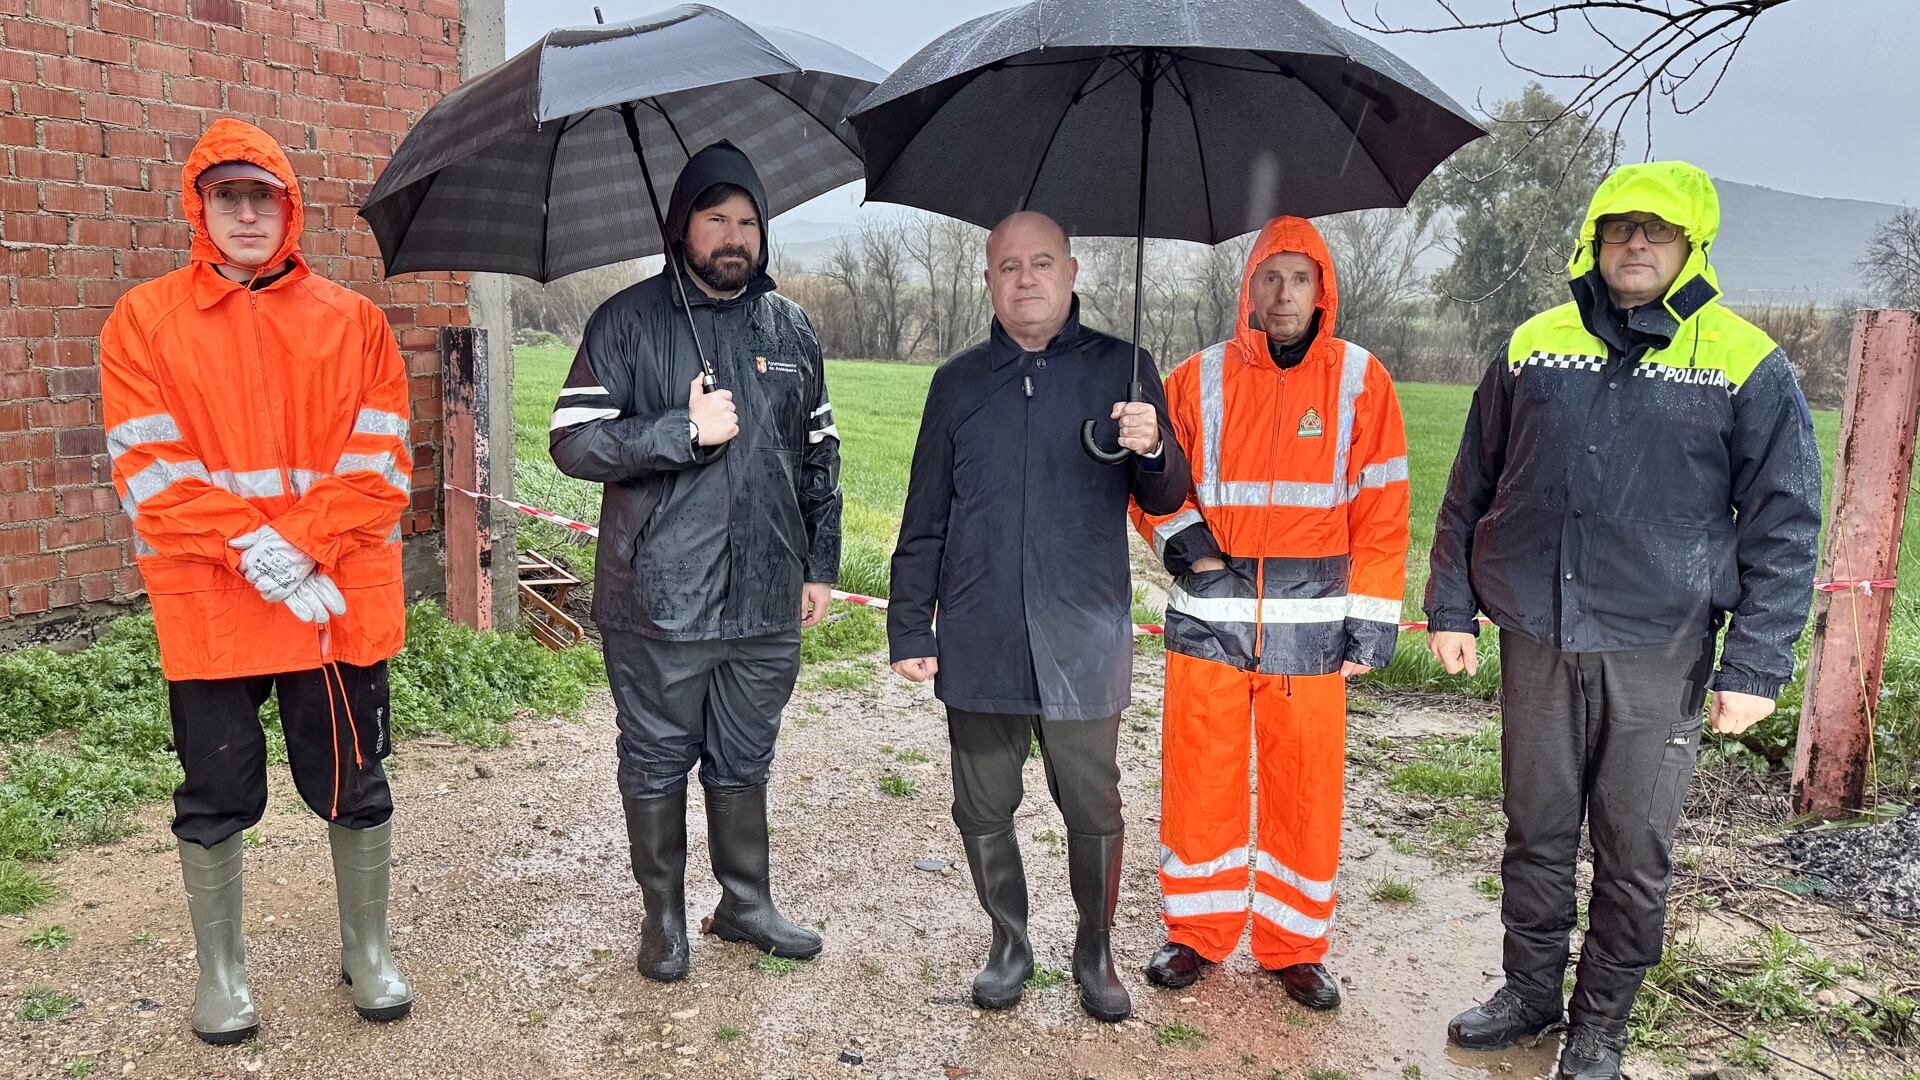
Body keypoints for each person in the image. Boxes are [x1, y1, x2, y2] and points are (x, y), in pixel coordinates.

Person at [1426, 161, 1821, 1080]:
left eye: (1656, 232)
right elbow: (1469, 488)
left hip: (1663, 647)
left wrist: (1756, 665)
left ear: (1691, 246)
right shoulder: (1532, 346)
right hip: (1539, 633)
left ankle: (1599, 1024)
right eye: (1618, 230)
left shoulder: (1742, 360)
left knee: (1634, 848)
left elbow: (1786, 517)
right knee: (1536, 828)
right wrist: (1452, 603)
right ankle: (1528, 995)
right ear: (1594, 241)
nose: (1635, 246)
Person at [100, 118, 415, 1044]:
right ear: (200, 207)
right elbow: (150, 472)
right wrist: (258, 551)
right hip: (214, 609)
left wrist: (301, 545)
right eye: (227, 196)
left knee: (356, 782)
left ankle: (368, 950)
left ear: (291, 208)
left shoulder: (354, 323)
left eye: (262, 196)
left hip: (333, 605)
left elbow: (384, 460)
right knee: (212, 792)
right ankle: (223, 976)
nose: (246, 212)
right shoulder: (143, 322)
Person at [887, 211, 1190, 1022]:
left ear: (1074, 270)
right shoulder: (957, 381)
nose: (1026, 278)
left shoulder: (1125, 369)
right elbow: (925, 513)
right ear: (988, 279)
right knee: (982, 803)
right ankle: (1009, 943)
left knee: (1093, 805)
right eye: (1009, 266)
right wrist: (910, 626)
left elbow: (1166, 497)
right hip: (981, 631)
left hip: (1082, 632)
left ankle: (1095, 950)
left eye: (1042, 262)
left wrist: (1152, 442)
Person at [549, 140, 841, 982]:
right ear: (683, 228)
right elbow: (571, 441)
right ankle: (664, 919)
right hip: (657, 599)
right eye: (717, 218)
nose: (734, 236)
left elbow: (820, 454)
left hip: (764, 596)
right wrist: (679, 432)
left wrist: (817, 564)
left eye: (748, 221)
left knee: (746, 754)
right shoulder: (628, 321)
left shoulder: (790, 328)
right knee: (655, 756)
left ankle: (745, 903)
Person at [1129, 215, 1410, 1010]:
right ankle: (1196, 934)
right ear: (1247, 287)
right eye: (1269, 277)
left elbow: (1383, 510)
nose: (1283, 294)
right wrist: (1192, 553)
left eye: (1300, 278)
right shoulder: (1196, 378)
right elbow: (1153, 488)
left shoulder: (1362, 380)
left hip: (1313, 635)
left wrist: (1371, 624)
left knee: (1305, 792)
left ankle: (1294, 946)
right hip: (1209, 621)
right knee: (1199, 780)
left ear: (1324, 289)